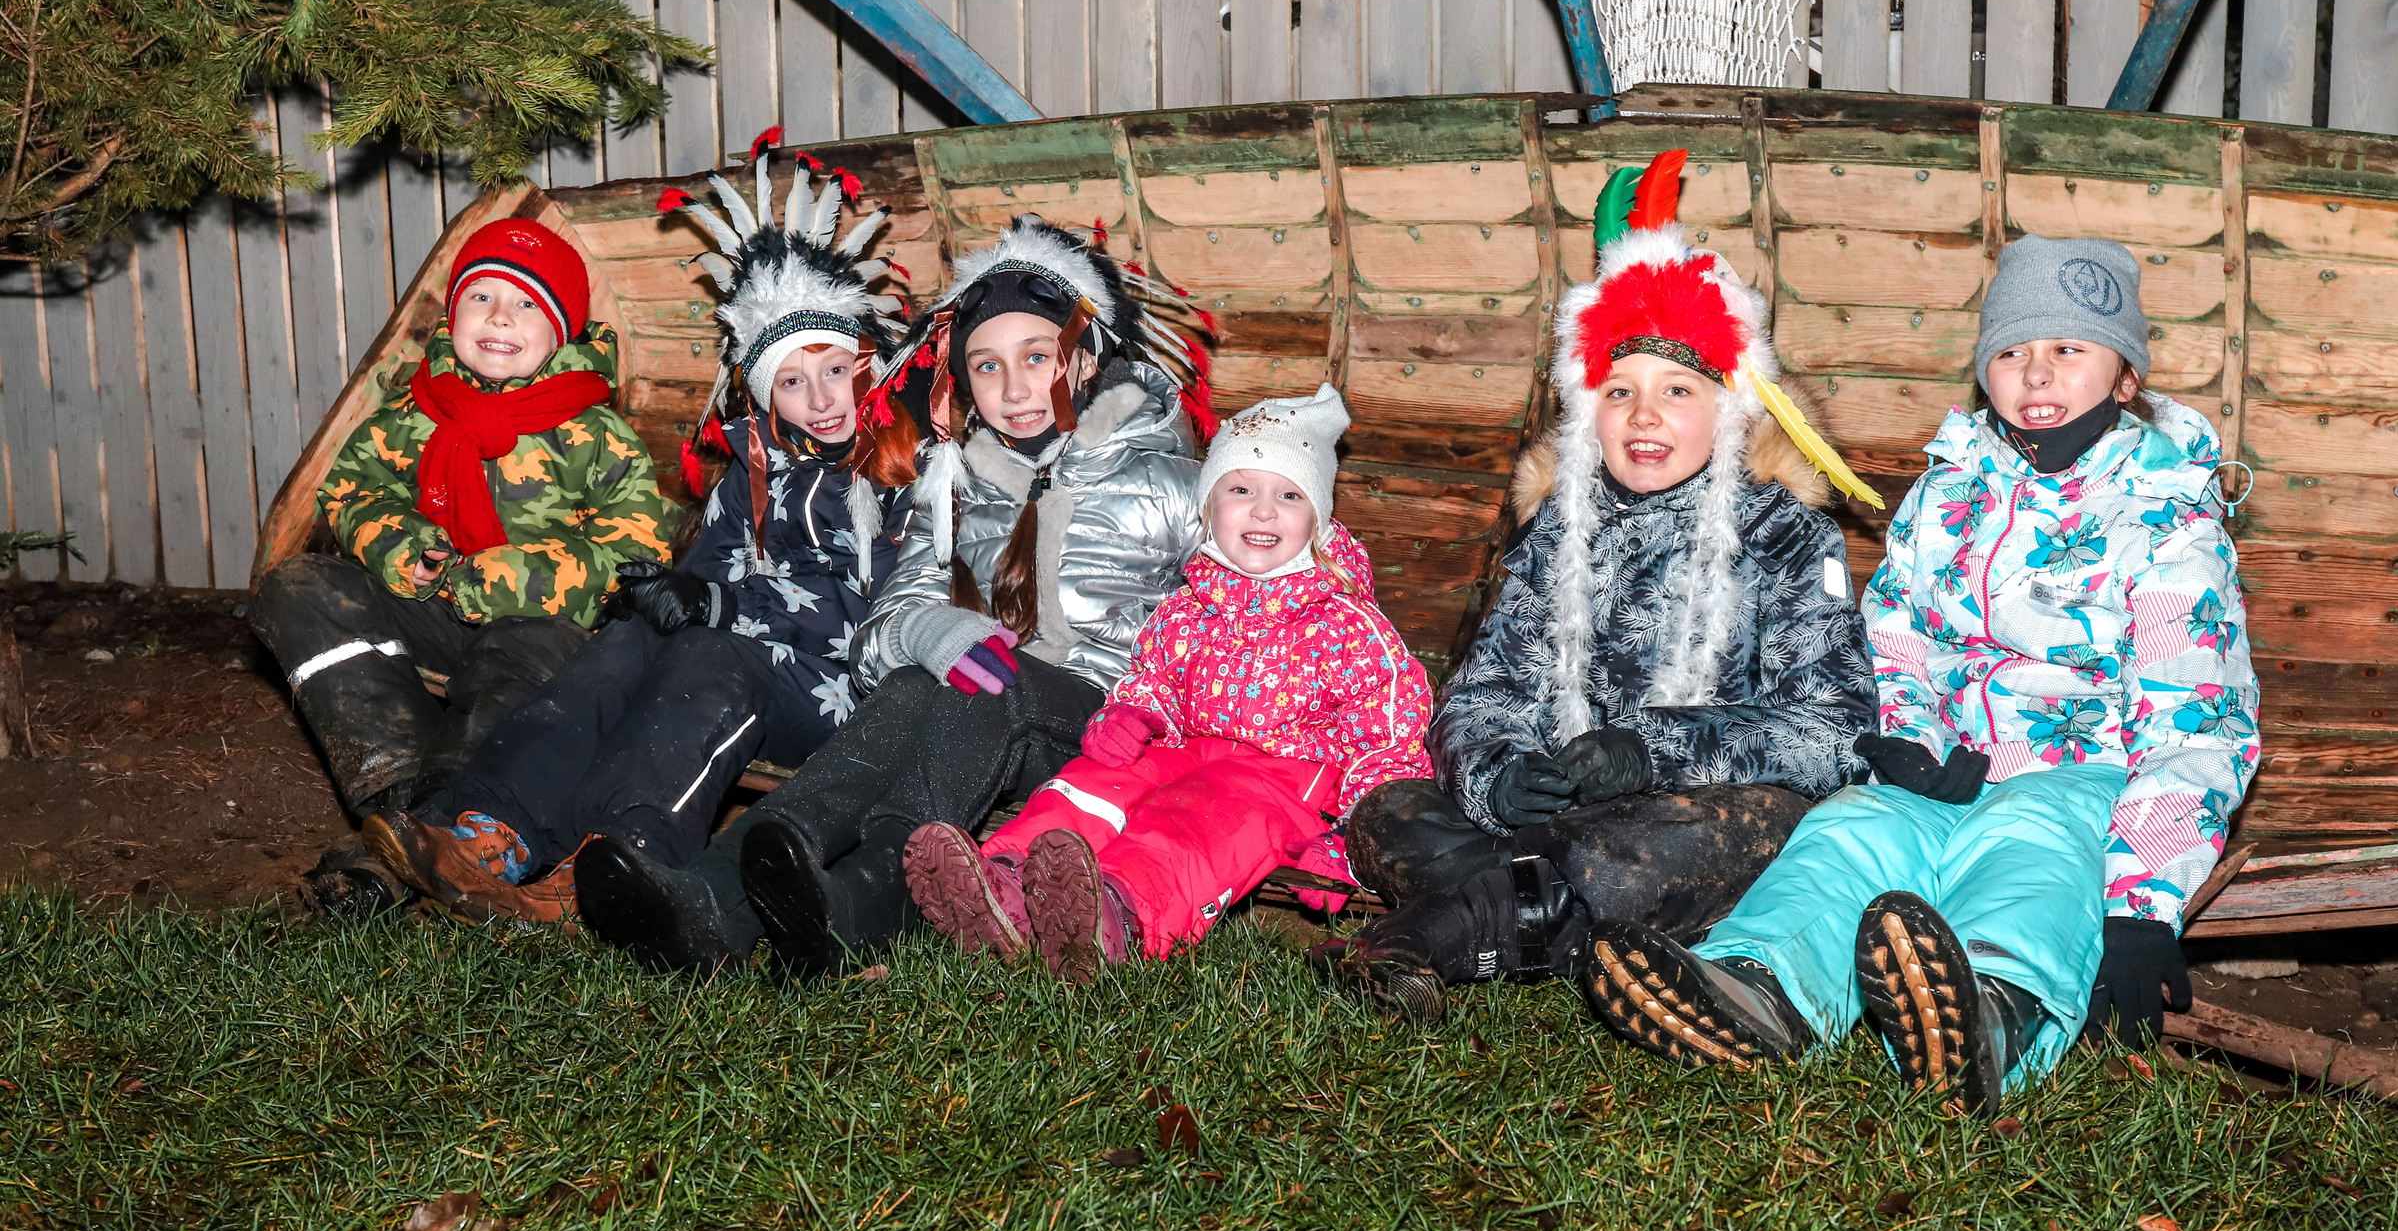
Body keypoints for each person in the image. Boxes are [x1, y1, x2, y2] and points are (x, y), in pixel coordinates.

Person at [1584, 234, 2261, 1116]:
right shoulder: (1953, 491)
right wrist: (1907, 739)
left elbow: (2197, 724)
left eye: (2069, 349)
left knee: (2031, 850)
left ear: (2125, 375)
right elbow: (1898, 629)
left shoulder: (2169, 522)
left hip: (2092, 770)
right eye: (2011, 353)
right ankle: (1757, 988)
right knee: (1851, 831)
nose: (2037, 375)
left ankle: (1991, 1013)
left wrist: (2142, 907)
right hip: (1955, 763)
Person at [1313, 150, 1879, 1022]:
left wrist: (1653, 750)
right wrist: (1497, 773)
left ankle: (1425, 939)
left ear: (1730, 408)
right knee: (1387, 809)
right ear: (1590, 412)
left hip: (1684, 814)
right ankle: (1551, 911)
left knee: (1725, 836)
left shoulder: (1786, 534)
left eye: (1677, 390)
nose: (1644, 415)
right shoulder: (1558, 531)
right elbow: (1483, 689)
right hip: (1551, 815)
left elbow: (1833, 733)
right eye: (1620, 391)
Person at [570, 212, 1216, 975]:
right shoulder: (958, 484)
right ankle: (715, 904)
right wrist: (932, 634)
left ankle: (851, 906)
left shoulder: (1172, 481)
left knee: (982, 687)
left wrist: (1159, 706)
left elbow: (1252, 600)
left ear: (1086, 355)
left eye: (1037, 355)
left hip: (1102, 722)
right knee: (929, 682)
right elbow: (883, 628)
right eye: (986, 366)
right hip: (972, 716)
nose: (1013, 389)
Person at [363, 142, 914, 924]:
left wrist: (725, 610)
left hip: (845, 693)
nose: (821, 398)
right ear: (763, 395)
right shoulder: (753, 471)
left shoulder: (904, 469)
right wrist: (672, 592)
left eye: (836, 371)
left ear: (868, 366)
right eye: (792, 380)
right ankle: (489, 828)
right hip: (743, 654)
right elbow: (712, 581)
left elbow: (883, 621)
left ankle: (619, 856)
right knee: (629, 637)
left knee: (709, 648)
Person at [903, 385, 1432, 980]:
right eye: (1240, 490)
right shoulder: (1186, 605)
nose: (1263, 511)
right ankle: (1002, 881)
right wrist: (1133, 715)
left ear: (1317, 518)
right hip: (1179, 748)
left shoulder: (1349, 625)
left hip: (1283, 777)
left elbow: (1388, 741)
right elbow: (1149, 676)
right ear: (1209, 509)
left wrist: (1360, 843)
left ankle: (1117, 915)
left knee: (1202, 819)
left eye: (1289, 495)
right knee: (1094, 781)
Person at [247, 217, 674, 918]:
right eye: (482, 297)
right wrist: (401, 544)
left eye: (528, 303)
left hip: (545, 626)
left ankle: (434, 834)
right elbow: (352, 490)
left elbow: (636, 549)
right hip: (440, 604)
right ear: (454, 313)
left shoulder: (595, 431)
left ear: (560, 330)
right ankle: (399, 799)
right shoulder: (417, 408)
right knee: (298, 586)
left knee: (518, 644)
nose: (501, 317)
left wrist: (518, 576)